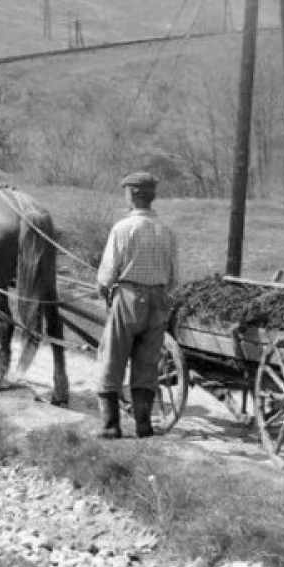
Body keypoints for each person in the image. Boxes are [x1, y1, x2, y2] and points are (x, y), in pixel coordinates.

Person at [93, 172, 179, 439]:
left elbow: (107, 274)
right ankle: (144, 425)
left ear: (132, 195)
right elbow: (175, 277)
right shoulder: (167, 231)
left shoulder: (123, 229)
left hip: (129, 298)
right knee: (147, 363)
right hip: (159, 300)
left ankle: (110, 426)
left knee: (112, 357)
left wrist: (103, 288)